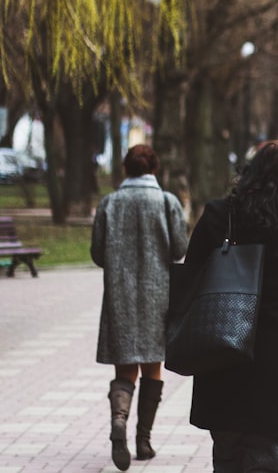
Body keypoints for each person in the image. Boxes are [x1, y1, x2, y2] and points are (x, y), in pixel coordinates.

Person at [185, 140, 278, 473]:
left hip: (222, 348)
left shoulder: (220, 215)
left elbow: (192, 275)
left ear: (250, 173)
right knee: (274, 456)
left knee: (227, 457)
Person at [91, 144, 188, 471]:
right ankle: (143, 441)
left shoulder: (110, 203)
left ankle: (119, 419)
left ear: (125, 170)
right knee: (152, 367)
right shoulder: (166, 202)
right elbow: (179, 249)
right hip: (158, 296)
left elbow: (97, 253)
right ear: (154, 169)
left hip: (120, 295)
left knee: (125, 370)